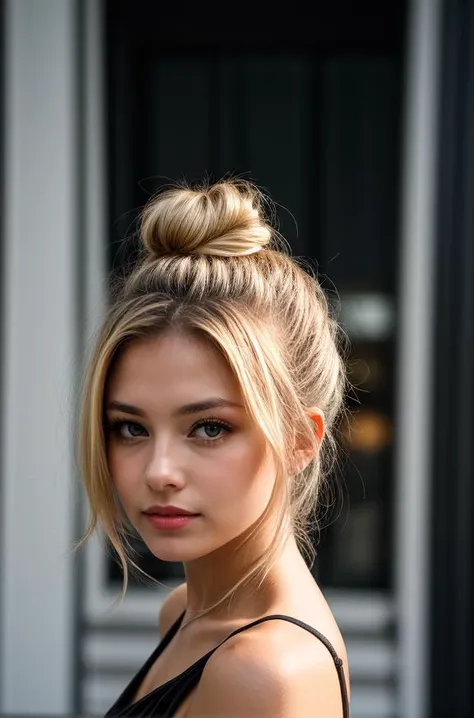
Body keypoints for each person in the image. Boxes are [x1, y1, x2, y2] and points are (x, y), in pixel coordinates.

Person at [78, 178, 351, 717]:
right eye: (130, 428)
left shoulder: (263, 673)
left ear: (300, 439)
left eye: (208, 428)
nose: (159, 472)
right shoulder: (185, 613)